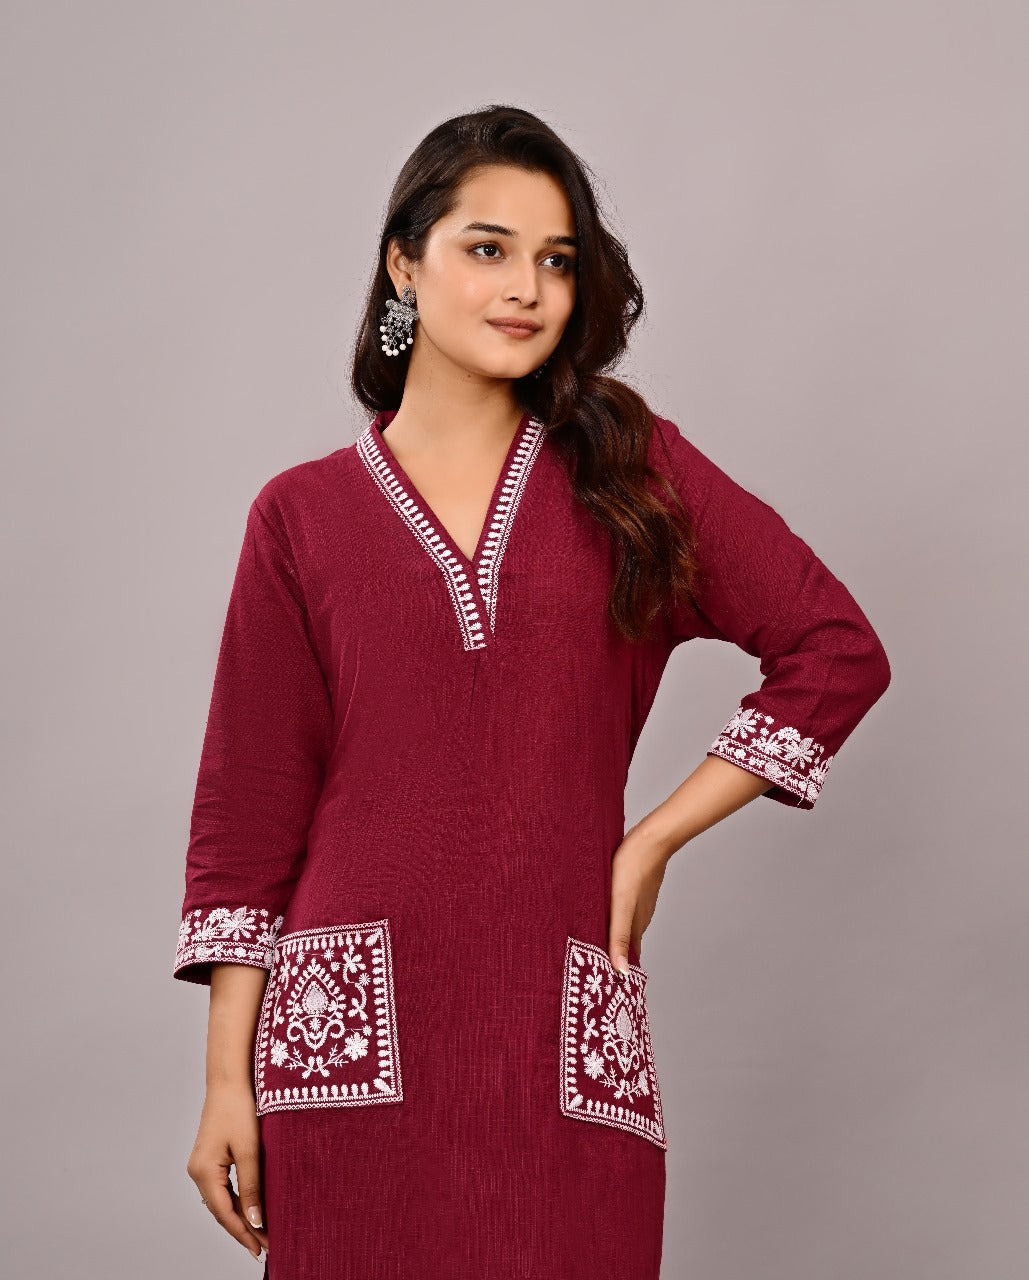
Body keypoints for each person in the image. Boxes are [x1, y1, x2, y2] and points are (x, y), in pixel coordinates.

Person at [172, 104, 891, 1279]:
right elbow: (248, 818)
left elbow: (835, 647)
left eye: (557, 260)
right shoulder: (300, 515)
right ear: (406, 264)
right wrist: (223, 1082)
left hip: (558, 1027)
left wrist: (651, 838)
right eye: (488, 248)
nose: (527, 288)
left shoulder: (629, 474)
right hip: (348, 1041)